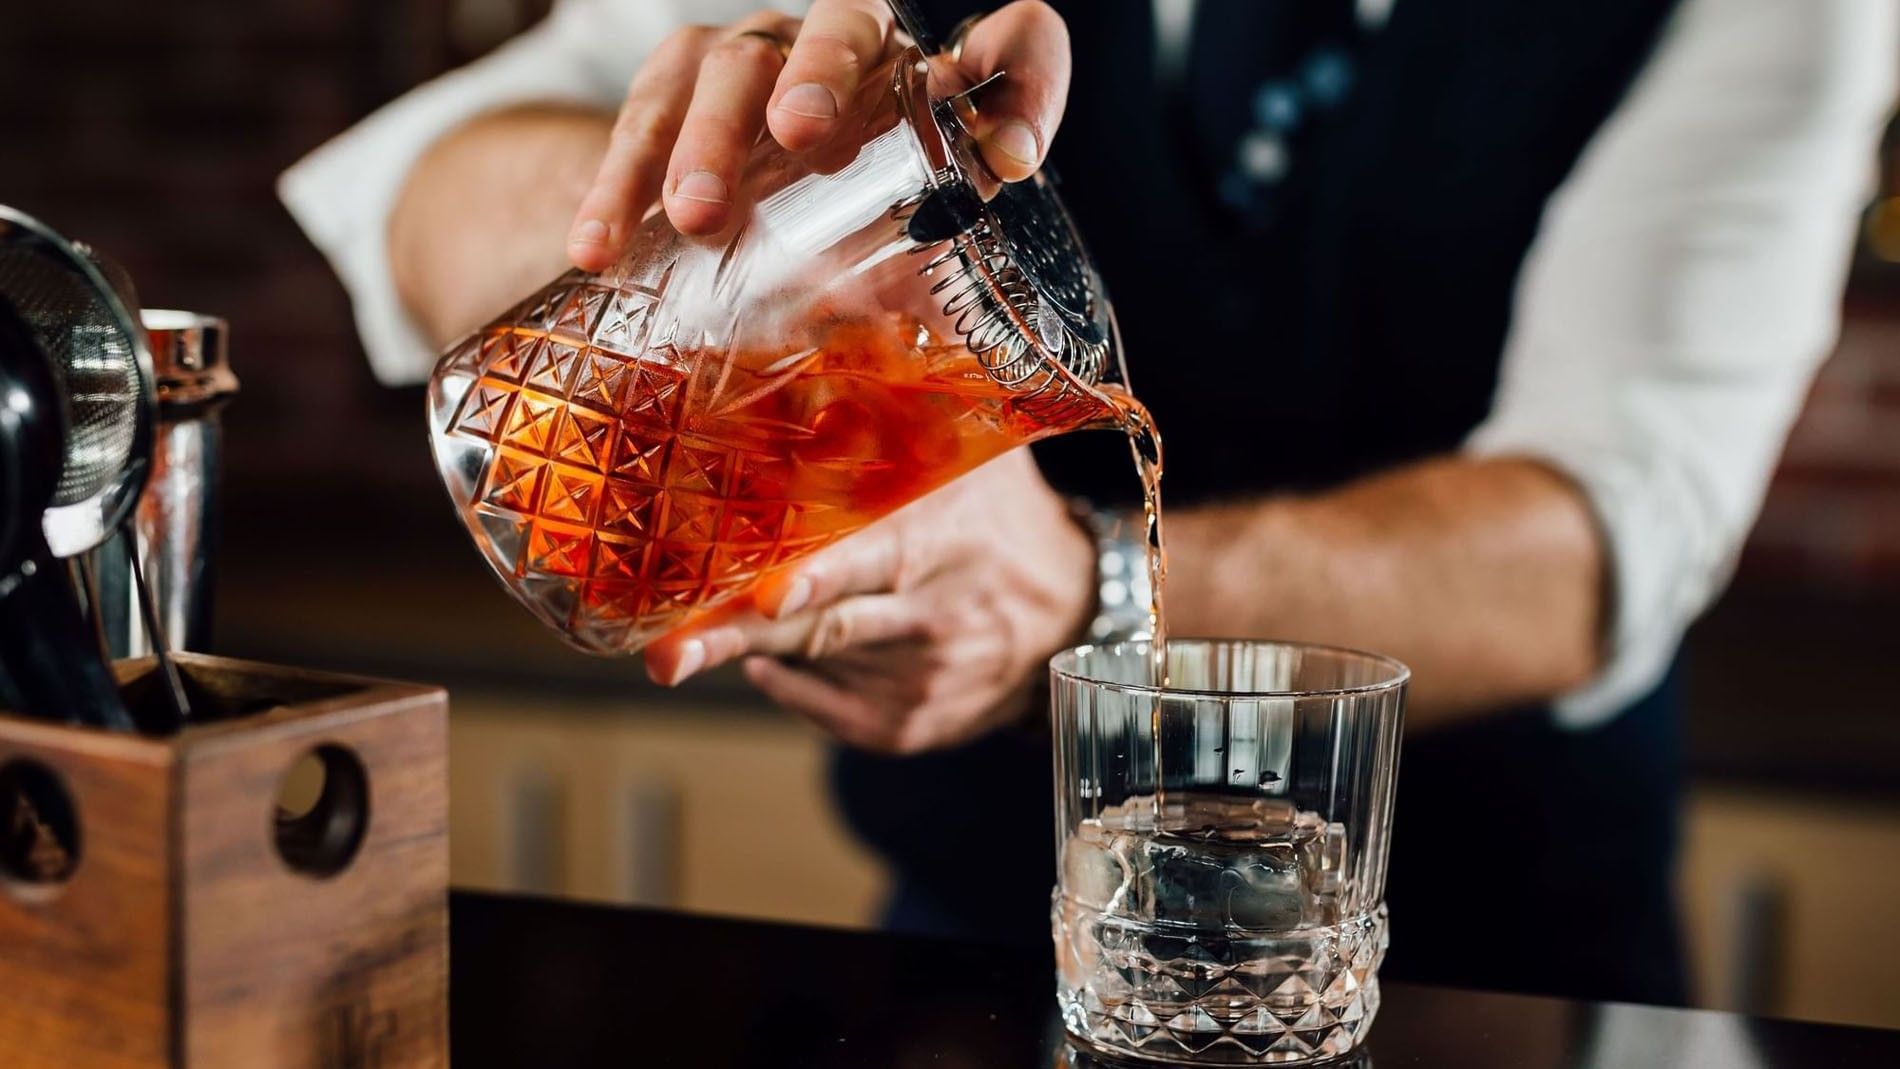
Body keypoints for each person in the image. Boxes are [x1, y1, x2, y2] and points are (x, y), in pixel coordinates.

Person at [280, 0, 1896, 1006]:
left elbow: (1598, 530)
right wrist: (702, 226)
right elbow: (424, 179)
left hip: (1511, 990)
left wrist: (1074, 596)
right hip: (981, 967)